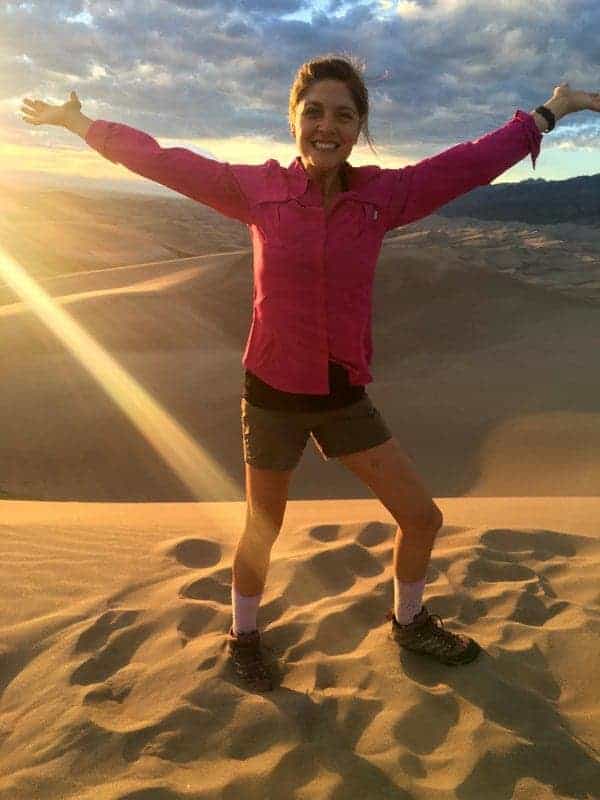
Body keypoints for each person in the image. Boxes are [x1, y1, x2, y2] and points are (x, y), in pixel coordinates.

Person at [22, 55, 600, 693]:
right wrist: (81, 124)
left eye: (344, 116)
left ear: (359, 128)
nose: (328, 126)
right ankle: (244, 635)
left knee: (423, 517)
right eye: (315, 112)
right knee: (262, 529)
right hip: (271, 395)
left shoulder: (385, 197)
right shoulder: (256, 190)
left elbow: (467, 163)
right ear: (294, 120)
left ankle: (408, 621)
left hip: (344, 396)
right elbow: (162, 160)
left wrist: (550, 113)